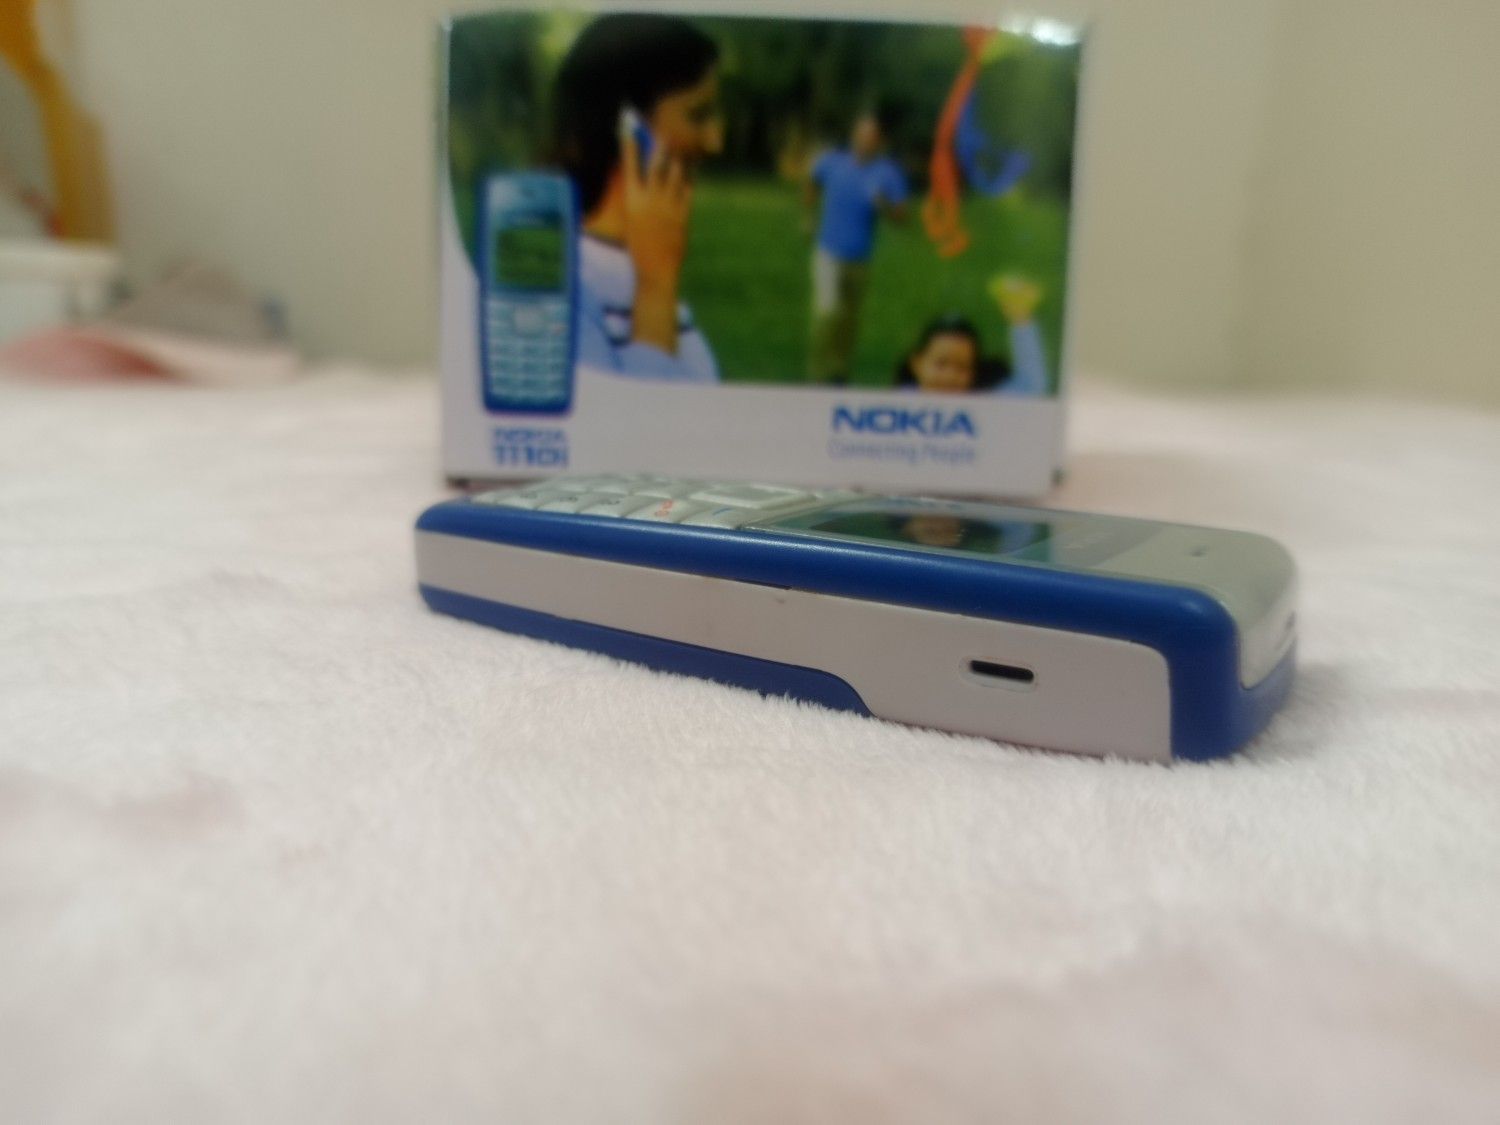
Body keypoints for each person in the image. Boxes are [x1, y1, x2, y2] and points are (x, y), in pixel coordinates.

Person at [551, 14, 723, 382]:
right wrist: (656, 286)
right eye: (698, 115)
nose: (715, 142)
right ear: (626, 129)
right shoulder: (563, 290)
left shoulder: (634, 266)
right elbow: (639, 415)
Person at [804, 109, 910, 384]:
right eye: (860, 135)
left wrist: (884, 205)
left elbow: (902, 217)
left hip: (860, 258)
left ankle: (838, 371)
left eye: (870, 137)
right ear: (853, 136)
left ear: (880, 141)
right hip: (828, 251)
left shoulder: (888, 173)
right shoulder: (833, 162)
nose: (863, 141)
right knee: (827, 311)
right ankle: (817, 373)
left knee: (848, 322)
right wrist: (808, 216)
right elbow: (813, 181)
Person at [894, 276, 1050, 395]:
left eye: (962, 368)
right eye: (941, 364)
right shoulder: (900, 403)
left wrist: (1020, 318)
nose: (950, 376)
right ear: (917, 364)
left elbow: (1031, 386)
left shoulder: (978, 402)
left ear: (974, 373)